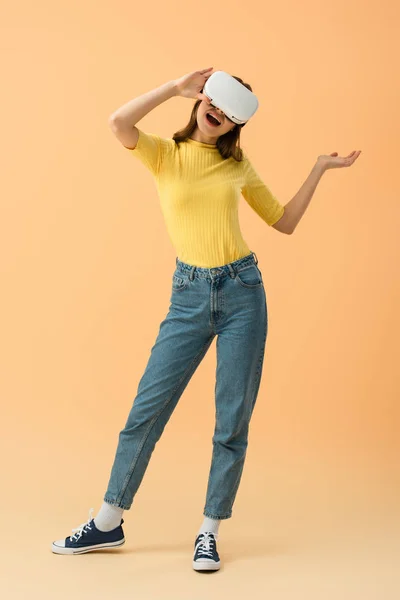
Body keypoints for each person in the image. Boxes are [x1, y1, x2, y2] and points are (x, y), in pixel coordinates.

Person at [51, 67, 289, 569]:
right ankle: (107, 522)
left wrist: (319, 168)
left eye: (228, 116)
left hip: (244, 292)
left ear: (234, 128)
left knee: (231, 421)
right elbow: (118, 121)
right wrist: (175, 87)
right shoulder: (165, 153)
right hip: (188, 296)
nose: (217, 116)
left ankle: (209, 530)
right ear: (201, 101)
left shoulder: (237, 165)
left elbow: (283, 221)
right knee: (146, 413)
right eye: (214, 104)